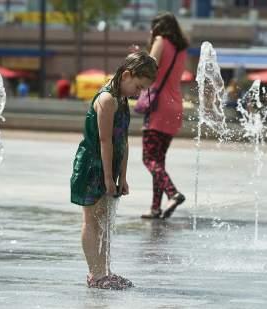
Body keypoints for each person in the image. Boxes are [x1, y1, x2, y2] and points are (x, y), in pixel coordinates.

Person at [70, 51, 158, 289]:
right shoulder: (108, 99)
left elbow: (124, 140)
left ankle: (105, 271)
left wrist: (124, 175)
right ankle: (95, 275)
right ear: (127, 75)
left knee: (106, 219)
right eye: (138, 87)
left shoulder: (121, 99)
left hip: (109, 164)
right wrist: (109, 177)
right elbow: (105, 141)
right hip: (92, 165)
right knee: (92, 220)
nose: (138, 93)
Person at [140, 12, 189, 219]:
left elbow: (150, 69)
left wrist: (138, 57)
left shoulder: (160, 41)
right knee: (159, 160)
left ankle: (173, 193)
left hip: (158, 105)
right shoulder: (181, 49)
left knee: (149, 158)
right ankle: (155, 208)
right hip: (175, 105)